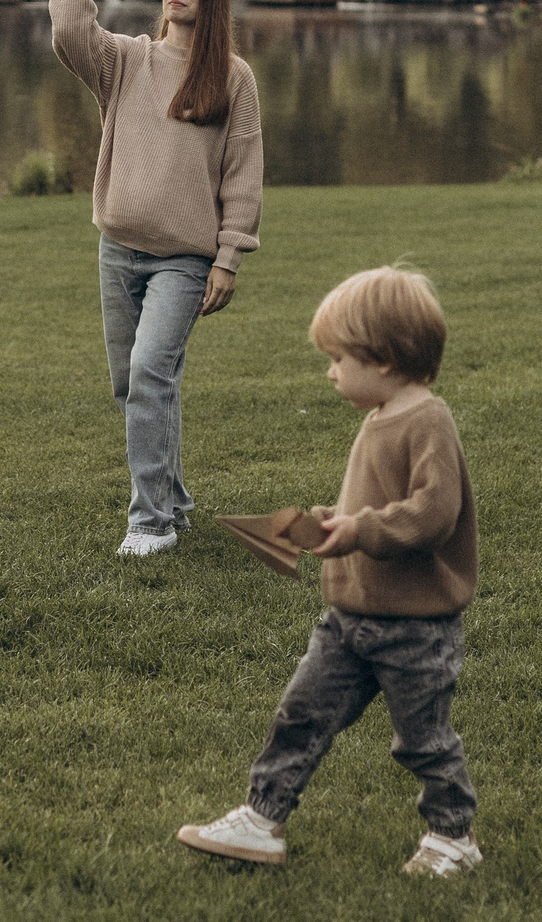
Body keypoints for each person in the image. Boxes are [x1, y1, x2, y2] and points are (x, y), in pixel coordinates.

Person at [177, 267, 483, 878]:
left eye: (339, 358)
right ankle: (263, 819)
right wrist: (331, 522)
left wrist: (362, 530)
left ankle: (454, 837)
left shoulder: (427, 421)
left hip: (413, 630)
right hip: (348, 620)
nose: (331, 371)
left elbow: (432, 513)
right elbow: (371, 509)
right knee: (302, 714)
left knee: (423, 740)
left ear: (386, 359)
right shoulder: (377, 417)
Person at [49, 0, 263, 557]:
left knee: (149, 370)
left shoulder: (233, 78)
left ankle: (151, 523)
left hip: (184, 259)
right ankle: (173, 501)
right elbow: (68, 30)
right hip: (118, 250)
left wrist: (228, 257)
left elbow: (242, 175)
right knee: (135, 382)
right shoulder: (126, 61)